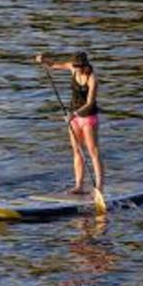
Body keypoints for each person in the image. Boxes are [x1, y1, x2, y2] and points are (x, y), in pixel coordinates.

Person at [36, 52, 104, 194]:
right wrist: (43, 60)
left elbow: (90, 103)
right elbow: (53, 64)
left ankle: (99, 186)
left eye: (77, 66)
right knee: (77, 151)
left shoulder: (92, 79)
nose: (74, 68)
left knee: (93, 151)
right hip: (74, 118)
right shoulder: (73, 68)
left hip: (87, 117)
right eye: (73, 65)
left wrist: (74, 114)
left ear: (84, 66)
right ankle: (79, 185)